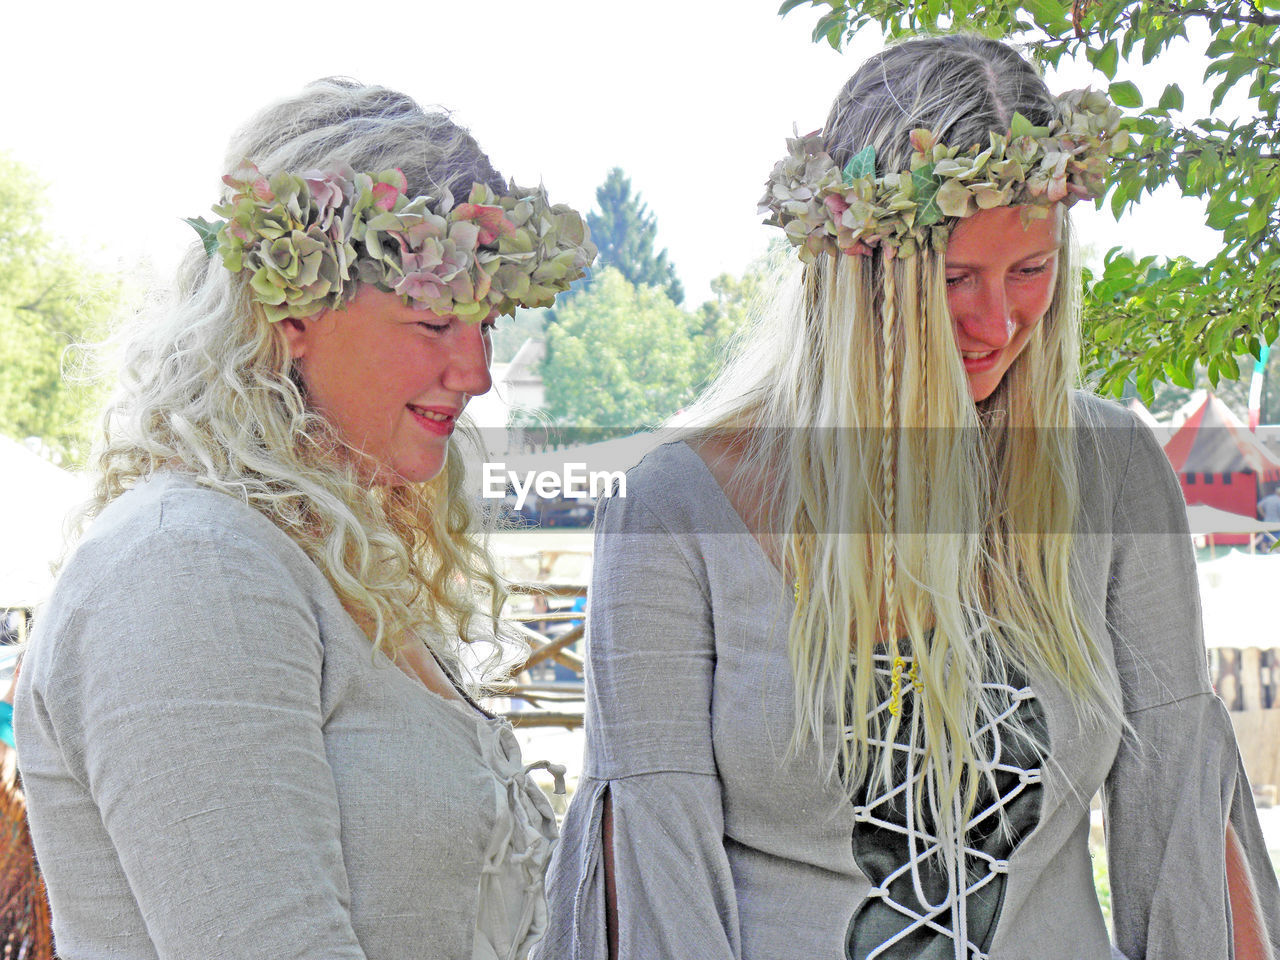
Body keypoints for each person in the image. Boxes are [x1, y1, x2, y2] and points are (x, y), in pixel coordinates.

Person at [539, 35, 1280, 960]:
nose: (999, 322)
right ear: (858, 270)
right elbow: (651, 890)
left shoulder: (1113, 472)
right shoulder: (677, 512)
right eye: (956, 278)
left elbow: (1184, 823)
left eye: (1031, 270)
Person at [15, 79, 593, 960]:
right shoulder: (186, 568)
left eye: (485, 322)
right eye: (435, 319)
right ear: (290, 315)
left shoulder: (313, 558)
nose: (476, 372)